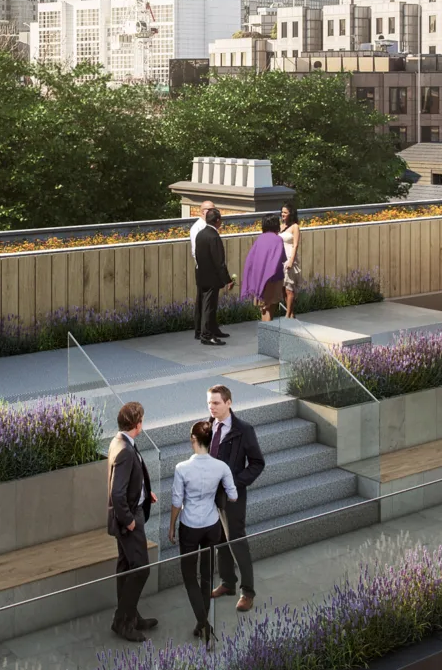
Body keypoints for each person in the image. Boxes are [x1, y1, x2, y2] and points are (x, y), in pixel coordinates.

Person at [169, 418, 238, 643]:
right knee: (207, 575)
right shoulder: (221, 467)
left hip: (189, 527)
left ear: (193, 440)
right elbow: (233, 495)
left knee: (189, 576)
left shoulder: (182, 468)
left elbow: (177, 502)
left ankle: (204, 624)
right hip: (211, 526)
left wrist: (171, 526)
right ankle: (202, 623)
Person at [206, 385, 265, 611]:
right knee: (220, 541)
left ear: (229, 402)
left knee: (236, 541)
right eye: (209, 403)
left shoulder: (244, 430)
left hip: (232, 497)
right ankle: (227, 583)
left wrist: (235, 483)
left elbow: (258, 463)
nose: (212, 407)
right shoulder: (207, 426)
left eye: (216, 403)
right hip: (211, 495)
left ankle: (247, 592)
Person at [107, 401, 157, 643]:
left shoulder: (120, 442)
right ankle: (123, 621)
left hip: (131, 511)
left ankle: (131, 617)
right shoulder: (126, 450)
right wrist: (129, 521)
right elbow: (117, 493)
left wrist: (146, 493)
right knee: (140, 569)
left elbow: (127, 482)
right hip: (129, 519)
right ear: (138, 425)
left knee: (126, 567)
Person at [188, 202, 227, 340]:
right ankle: (202, 331)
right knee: (204, 303)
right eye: (209, 210)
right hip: (204, 269)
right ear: (202, 211)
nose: (212, 212)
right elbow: (196, 252)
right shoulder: (197, 228)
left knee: (210, 303)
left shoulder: (208, 229)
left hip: (207, 270)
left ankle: (212, 328)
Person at [240, 214, 288, 322]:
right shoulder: (277, 240)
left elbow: (251, 259)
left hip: (259, 279)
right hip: (273, 279)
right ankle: (268, 336)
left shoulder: (260, 239)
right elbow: (282, 258)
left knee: (263, 309)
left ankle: (265, 335)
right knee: (270, 309)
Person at [278, 205, 302, 319]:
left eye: (285, 212)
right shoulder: (281, 226)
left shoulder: (295, 227)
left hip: (289, 258)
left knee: (289, 288)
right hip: (280, 259)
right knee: (282, 288)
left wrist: (291, 260)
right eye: (282, 212)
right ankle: (291, 313)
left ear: (291, 214)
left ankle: (287, 315)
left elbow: (296, 244)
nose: (283, 214)